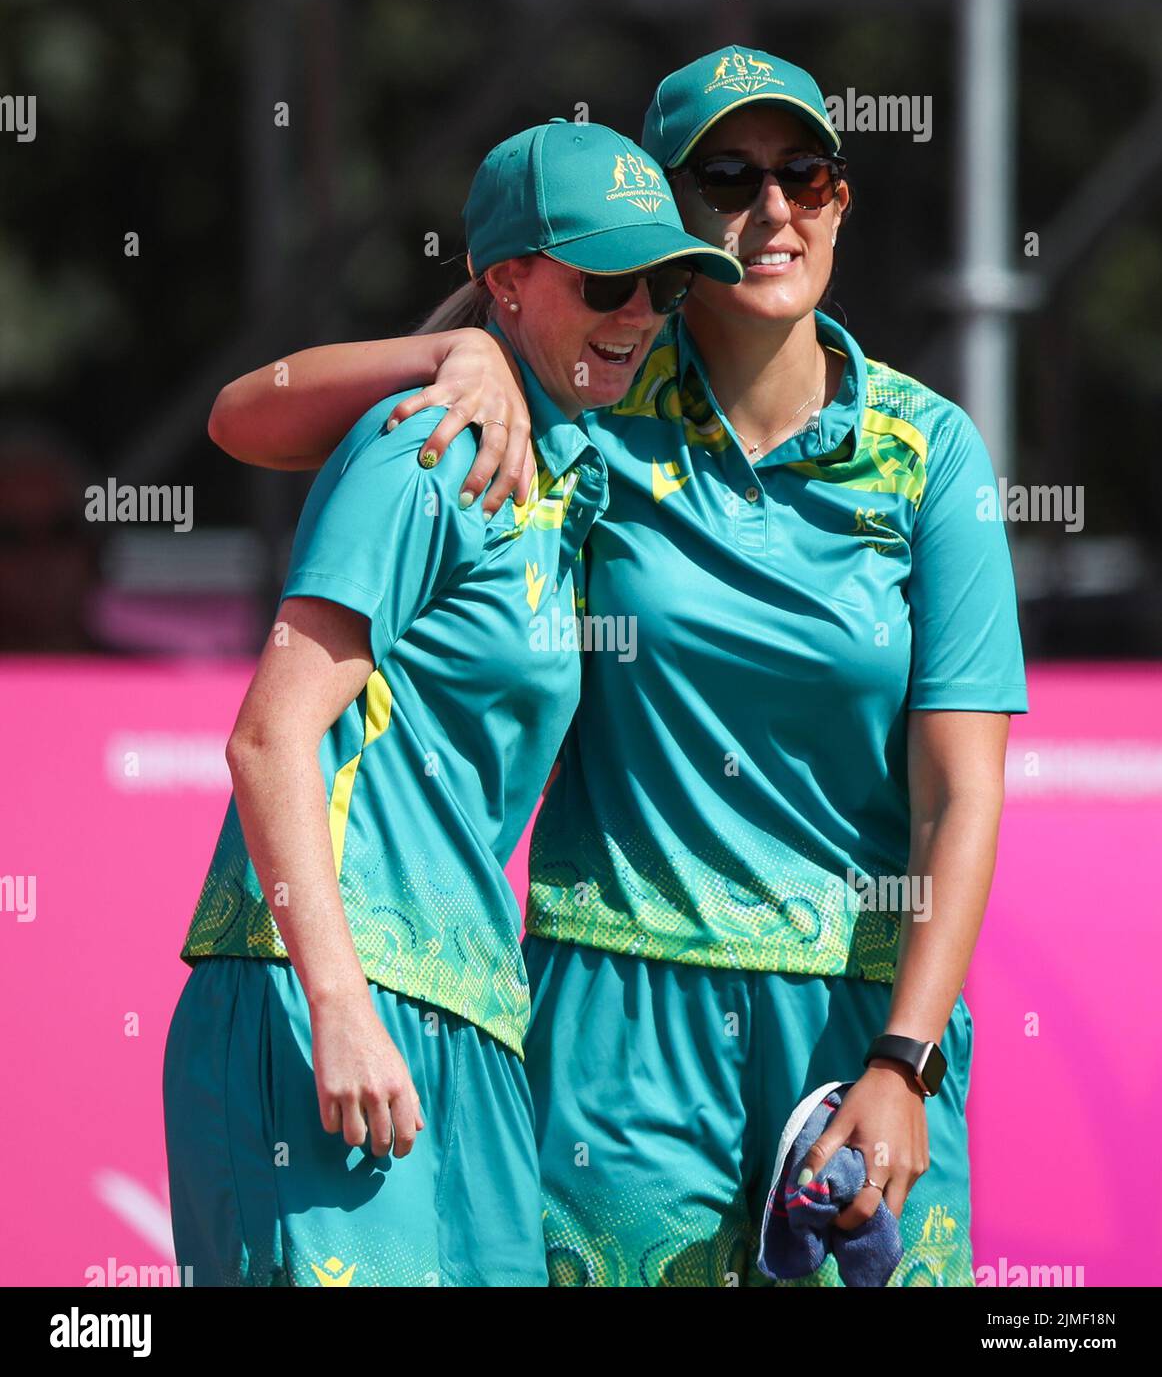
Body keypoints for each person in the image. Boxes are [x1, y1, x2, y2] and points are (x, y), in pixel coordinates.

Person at [205, 46, 1028, 1288]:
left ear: (840, 197)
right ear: (668, 207)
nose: (771, 208)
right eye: (727, 176)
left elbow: (956, 795)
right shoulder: (586, 399)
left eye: (804, 173)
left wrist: (903, 1057)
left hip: (862, 1027)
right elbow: (243, 418)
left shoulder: (929, 452)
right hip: (618, 1026)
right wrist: (448, 353)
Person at [161, 117, 741, 1287]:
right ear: (508, 280)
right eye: (609, 279)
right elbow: (269, 738)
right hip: (333, 999)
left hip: (469, 1018)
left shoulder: (567, 470)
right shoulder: (430, 444)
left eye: (665, 284)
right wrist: (335, 1003)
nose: (639, 315)